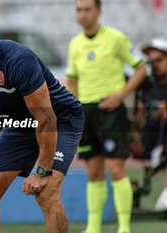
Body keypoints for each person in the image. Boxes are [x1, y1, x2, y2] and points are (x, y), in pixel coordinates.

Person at [0, 13, 84, 233]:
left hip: (60, 120)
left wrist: (42, 171)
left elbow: (46, 118)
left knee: (46, 191)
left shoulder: (17, 60)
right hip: (21, 124)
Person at [66, 1, 146, 233]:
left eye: (87, 9)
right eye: (79, 10)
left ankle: (123, 227)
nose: (82, 14)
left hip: (111, 111)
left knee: (116, 169)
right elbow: (72, 79)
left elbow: (140, 67)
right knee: (93, 172)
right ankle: (93, 227)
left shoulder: (116, 37)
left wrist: (121, 95)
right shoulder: (75, 43)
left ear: (99, 11)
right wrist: (73, 105)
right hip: (85, 111)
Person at [139, 38, 167, 211]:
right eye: (151, 61)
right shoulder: (145, 86)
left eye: (160, 60)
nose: (155, 65)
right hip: (147, 138)